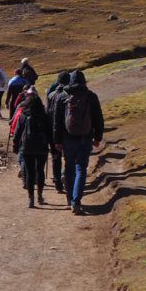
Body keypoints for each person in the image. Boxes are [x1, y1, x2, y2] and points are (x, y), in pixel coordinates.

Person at [52, 69, 104, 215]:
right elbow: (98, 118)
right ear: (84, 81)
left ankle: (69, 199)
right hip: (85, 138)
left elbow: (56, 121)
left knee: (69, 168)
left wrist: (56, 140)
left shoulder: (62, 96)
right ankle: (76, 202)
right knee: (81, 169)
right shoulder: (91, 96)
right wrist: (98, 137)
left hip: (67, 139)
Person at [13, 89, 52, 207]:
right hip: (42, 147)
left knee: (29, 172)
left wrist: (15, 146)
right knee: (40, 171)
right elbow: (49, 133)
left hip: (27, 147)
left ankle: (31, 199)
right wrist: (53, 147)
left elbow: (17, 133)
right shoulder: (45, 116)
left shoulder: (23, 116)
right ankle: (40, 196)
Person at [45, 71, 71, 194]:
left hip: (52, 130)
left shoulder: (51, 95)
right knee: (68, 157)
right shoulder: (69, 95)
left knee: (56, 157)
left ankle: (57, 182)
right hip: (67, 131)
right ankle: (65, 176)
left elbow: (47, 112)